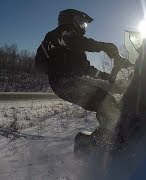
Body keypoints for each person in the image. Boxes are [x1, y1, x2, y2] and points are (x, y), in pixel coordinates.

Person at [35, 9, 132, 148]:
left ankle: (91, 143)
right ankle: (111, 144)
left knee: (107, 102)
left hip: (71, 81)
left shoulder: (73, 48)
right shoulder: (59, 34)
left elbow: (86, 68)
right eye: (81, 21)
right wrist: (103, 47)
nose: (83, 26)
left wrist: (107, 76)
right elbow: (73, 41)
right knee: (107, 103)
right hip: (63, 82)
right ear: (70, 19)